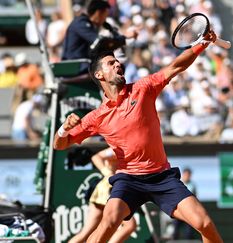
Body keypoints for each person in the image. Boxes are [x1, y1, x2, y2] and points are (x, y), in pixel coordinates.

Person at [53, 28, 223, 243]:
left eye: (118, 62)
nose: (117, 64)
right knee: (109, 221)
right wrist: (63, 129)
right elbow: (59, 145)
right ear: (99, 75)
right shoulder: (96, 116)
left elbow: (175, 66)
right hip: (129, 180)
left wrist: (201, 44)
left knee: (204, 224)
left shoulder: (142, 89)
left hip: (162, 176)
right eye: (110, 63)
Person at [69, 147, 137, 243]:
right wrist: (109, 174)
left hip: (114, 189)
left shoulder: (135, 148)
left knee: (86, 233)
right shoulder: (120, 148)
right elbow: (96, 157)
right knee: (129, 225)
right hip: (108, 189)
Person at [62, 0, 137, 72]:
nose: (105, 19)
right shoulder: (80, 23)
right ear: (98, 13)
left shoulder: (90, 24)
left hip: (82, 64)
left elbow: (102, 46)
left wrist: (119, 40)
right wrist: (124, 37)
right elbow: (100, 42)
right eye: (105, 16)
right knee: (109, 72)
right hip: (75, 66)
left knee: (118, 68)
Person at [173, 167, 197, 240]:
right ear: (183, 174)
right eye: (186, 174)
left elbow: (195, 198)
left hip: (189, 212)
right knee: (175, 231)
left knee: (189, 232)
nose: (187, 176)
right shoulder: (178, 184)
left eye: (188, 175)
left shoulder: (193, 186)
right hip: (179, 210)